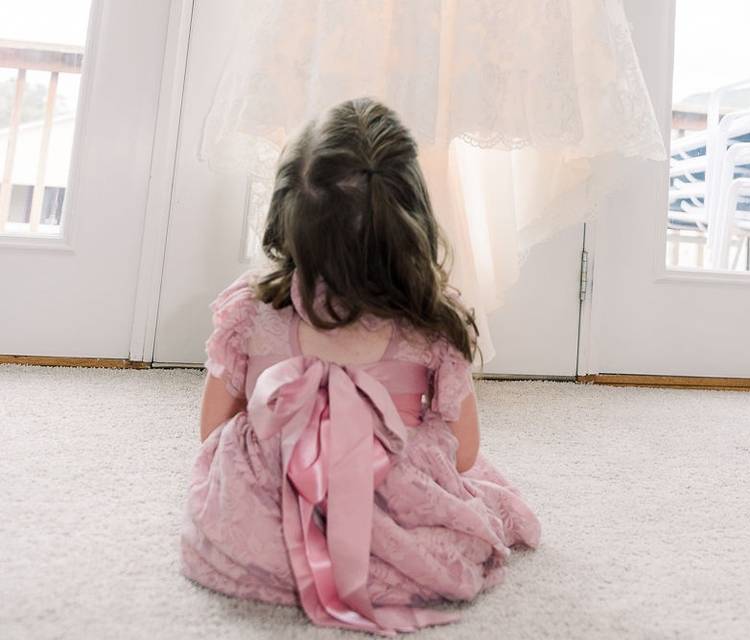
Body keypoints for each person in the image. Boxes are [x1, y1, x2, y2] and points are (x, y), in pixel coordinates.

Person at [181, 98, 540, 634]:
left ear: (285, 213)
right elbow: (463, 454)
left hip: (267, 514)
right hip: (393, 506)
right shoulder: (433, 323)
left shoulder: (250, 308)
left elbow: (212, 430)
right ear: (412, 218)